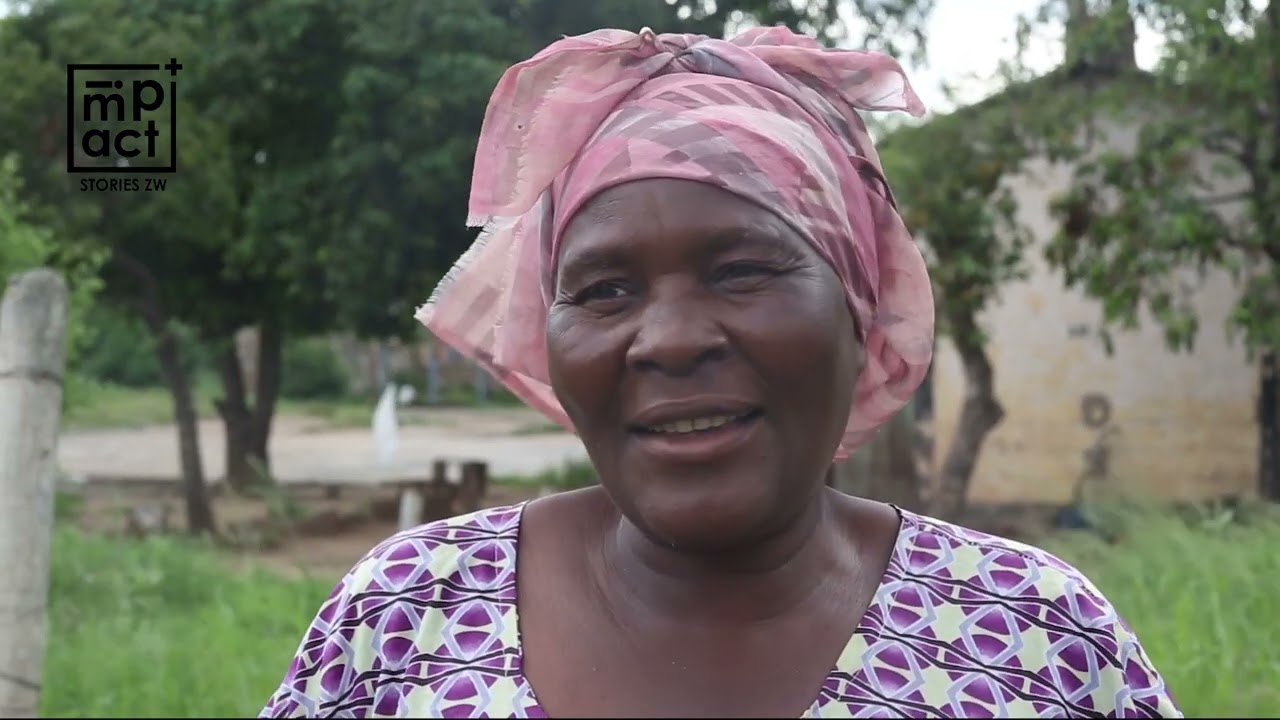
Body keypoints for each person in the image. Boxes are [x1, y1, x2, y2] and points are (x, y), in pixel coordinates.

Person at [259, 26, 1181, 719]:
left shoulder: (1035, 639)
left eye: (742, 270)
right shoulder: (406, 620)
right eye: (605, 289)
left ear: (860, 311)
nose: (666, 339)